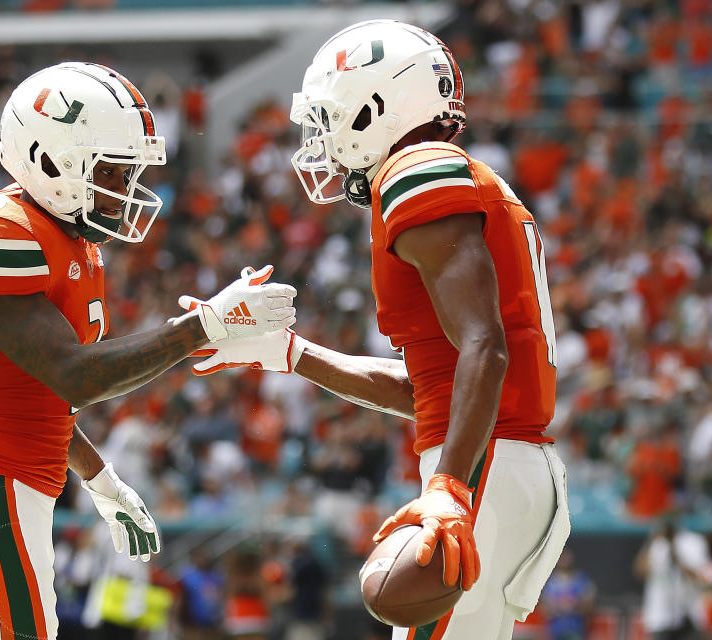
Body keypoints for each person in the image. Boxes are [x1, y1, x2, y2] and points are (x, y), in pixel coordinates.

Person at [0, 61, 297, 640]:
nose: (125, 191)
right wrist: (200, 328)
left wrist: (101, 480)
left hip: (7, 490)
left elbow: (38, 395)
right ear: (50, 159)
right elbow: (72, 376)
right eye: (113, 170)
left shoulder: (65, 237)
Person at [187, 20, 570, 640]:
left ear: (374, 109)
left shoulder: (417, 169)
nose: (323, 138)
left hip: (482, 466)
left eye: (329, 117)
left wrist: (449, 486)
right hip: (508, 463)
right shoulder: (451, 176)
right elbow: (434, 382)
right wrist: (290, 353)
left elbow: (485, 347)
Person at [634, 519, 710, 640]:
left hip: (689, 613)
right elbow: (640, 571)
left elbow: (699, 576)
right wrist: (651, 541)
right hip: (661, 615)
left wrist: (675, 553)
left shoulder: (692, 541)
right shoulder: (657, 543)